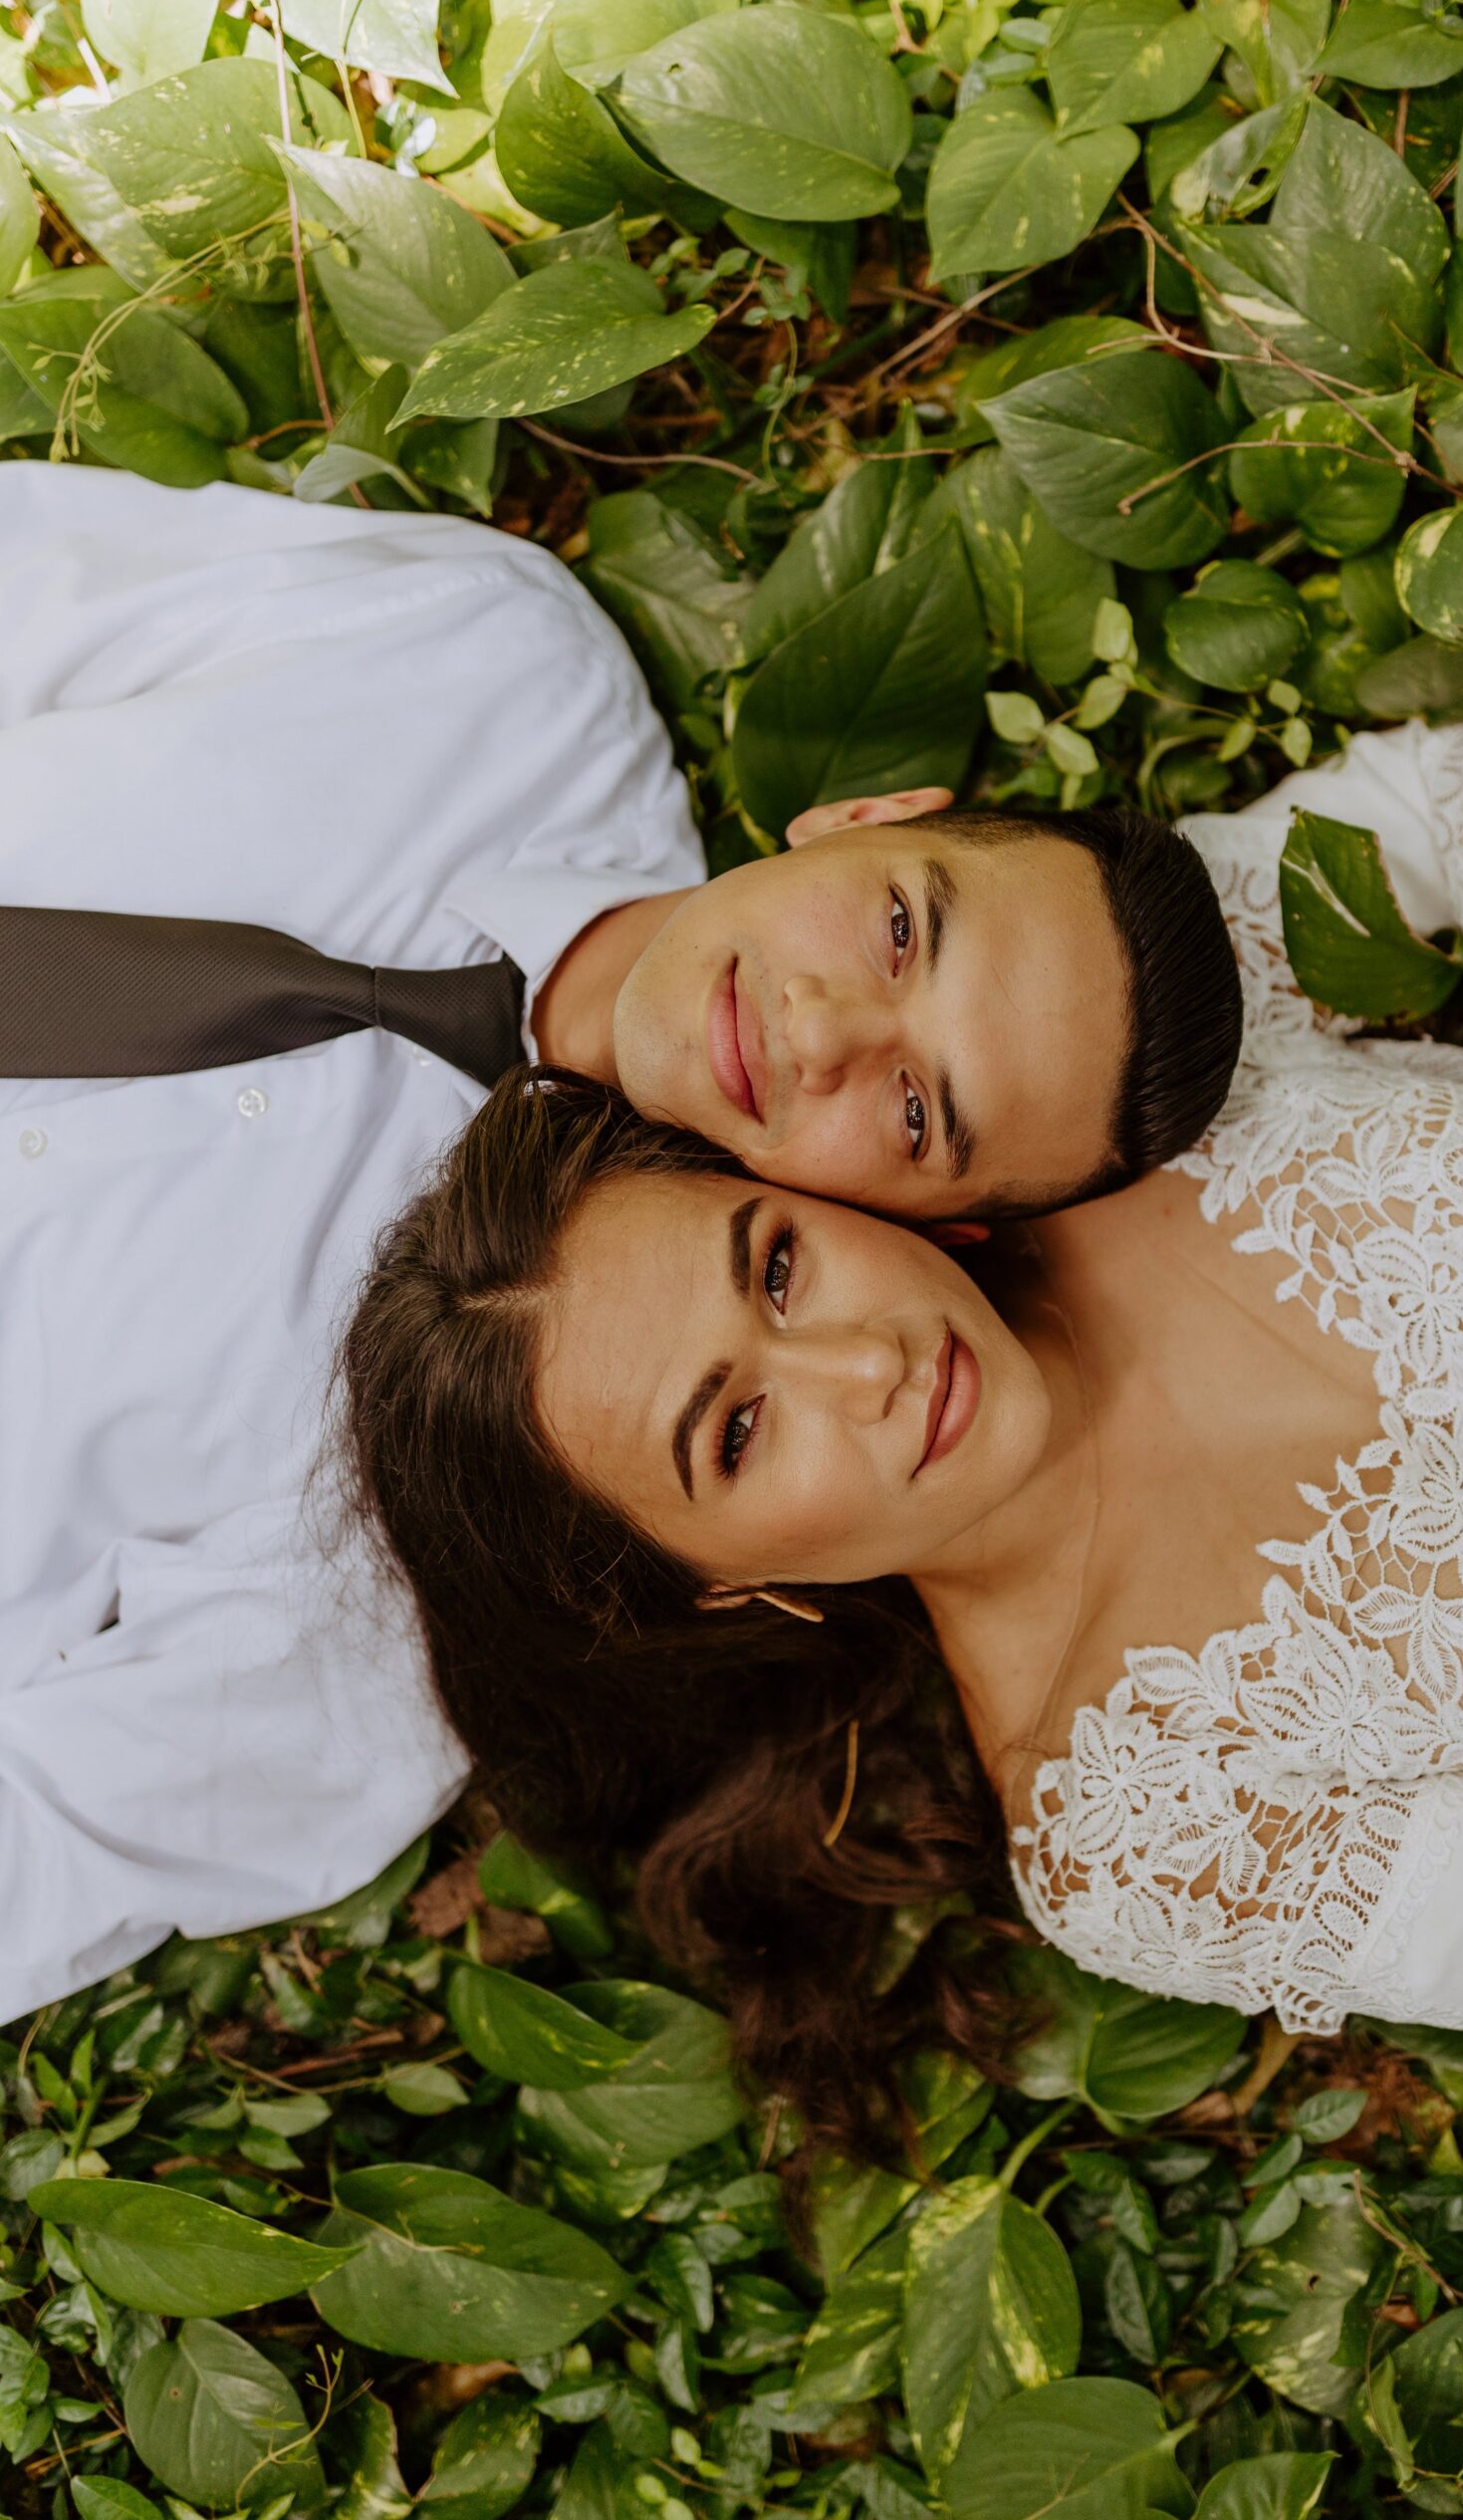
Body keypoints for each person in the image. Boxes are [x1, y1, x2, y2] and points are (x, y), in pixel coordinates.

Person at [343, 697, 1463, 2147]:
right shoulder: (1148, 1842)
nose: (864, 1368)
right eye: (735, 1434)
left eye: (780, 1265)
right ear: (714, 1582)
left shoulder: (1083, 1081)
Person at [0, 461, 1239, 2022]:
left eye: (920, 1114)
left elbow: (38, 1846)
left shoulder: (451, 1521)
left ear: (937, 1226)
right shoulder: (487, 662)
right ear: (864, 818)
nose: (824, 1021)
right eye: (903, 927)